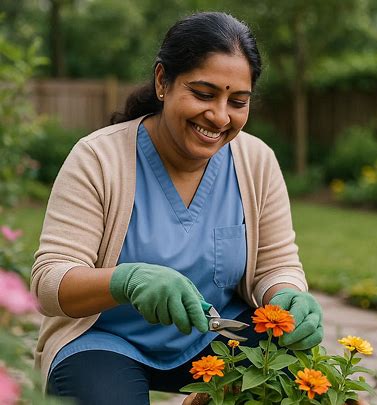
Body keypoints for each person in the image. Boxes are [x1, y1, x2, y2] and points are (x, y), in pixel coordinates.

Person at [31, 11, 323, 405]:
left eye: (237, 101)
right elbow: (51, 282)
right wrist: (125, 281)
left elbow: (276, 265)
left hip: (217, 337)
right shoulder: (98, 158)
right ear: (162, 82)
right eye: (203, 94)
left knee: (300, 387)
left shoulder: (256, 161)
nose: (220, 116)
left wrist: (288, 296)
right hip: (105, 340)